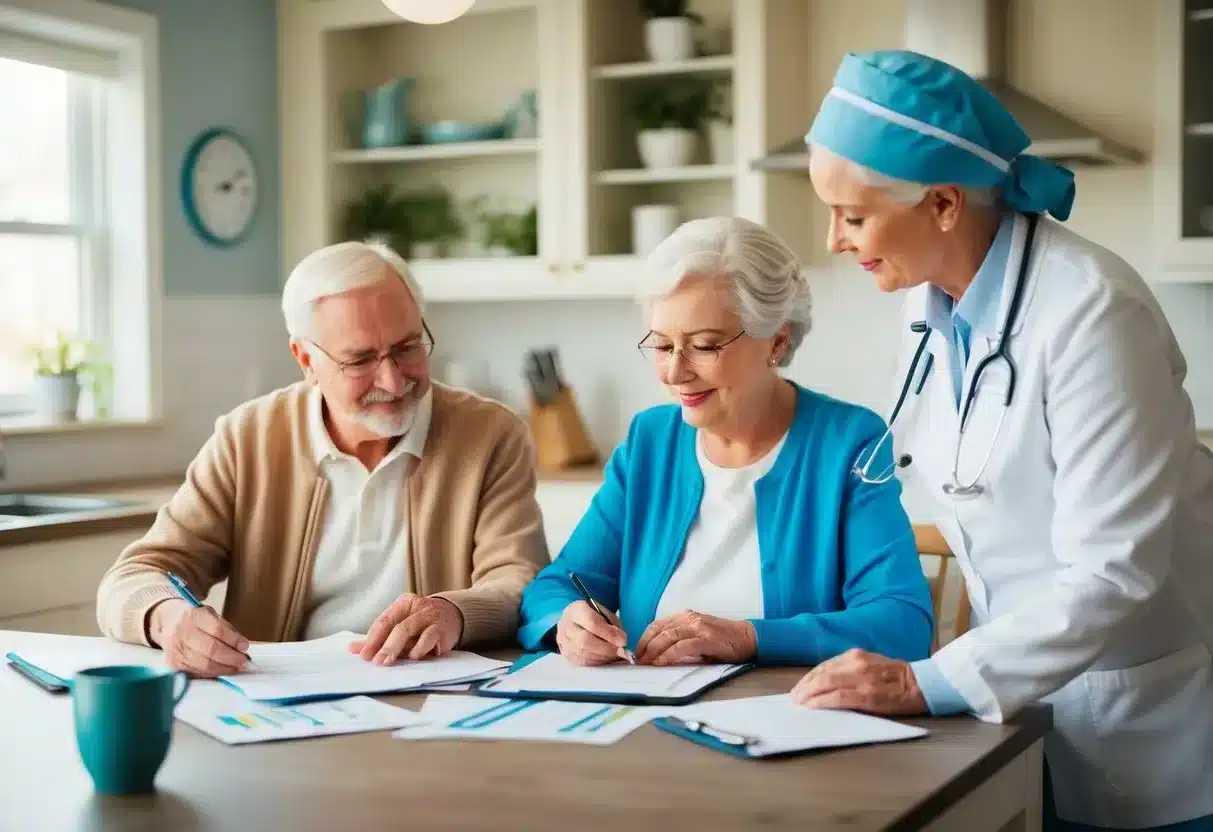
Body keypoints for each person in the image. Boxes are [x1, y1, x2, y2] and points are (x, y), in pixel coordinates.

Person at [790, 49, 1213, 831]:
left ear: (944, 204)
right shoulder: (929, 303)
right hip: (1023, 709)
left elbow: (1111, 570)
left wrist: (928, 682)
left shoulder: (1091, 312)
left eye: (852, 216)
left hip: (1147, 729)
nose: (836, 239)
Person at [95, 240, 548, 676]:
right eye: (361, 360)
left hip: (434, 697)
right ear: (305, 359)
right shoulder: (247, 438)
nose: (392, 381)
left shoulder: (491, 435)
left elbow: (518, 582)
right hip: (281, 705)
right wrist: (167, 618)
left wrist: (454, 612)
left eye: (407, 347)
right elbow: (134, 577)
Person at [517, 216, 934, 669]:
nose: (676, 372)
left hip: (788, 719)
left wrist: (748, 637)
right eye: (661, 345)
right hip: (647, 719)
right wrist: (568, 622)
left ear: (776, 341)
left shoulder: (849, 444)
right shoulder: (650, 442)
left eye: (704, 345)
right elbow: (556, 586)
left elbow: (902, 624)